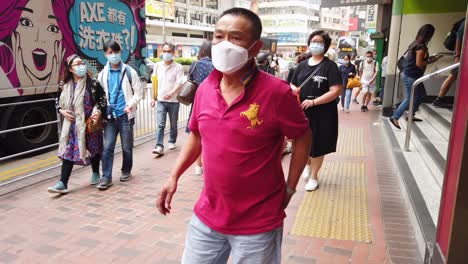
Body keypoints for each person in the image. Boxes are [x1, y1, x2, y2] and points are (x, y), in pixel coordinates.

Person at [156, 8, 312, 263]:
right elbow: (197, 135)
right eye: (219, 36)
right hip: (208, 216)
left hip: (258, 223)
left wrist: (290, 187)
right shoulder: (206, 88)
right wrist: (173, 177)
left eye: (236, 37)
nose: (224, 44)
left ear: (255, 46)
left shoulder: (277, 93)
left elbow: (303, 136)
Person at [291, 30, 342, 191]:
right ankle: (308, 165)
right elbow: (292, 84)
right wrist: (294, 90)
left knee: (318, 145)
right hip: (302, 113)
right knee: (303, 144)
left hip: (323, 113)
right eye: (313, 41)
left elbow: (336, 91)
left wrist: (314, 102)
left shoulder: (330, 66)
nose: (316, 44)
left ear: (325, 46)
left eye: (320, 42)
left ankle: (314, 176)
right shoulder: (301, 65)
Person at [48, 54, 106, 193]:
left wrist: (97, 112)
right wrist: (62, 111)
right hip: (72, 126)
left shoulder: (93, 83)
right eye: (77, 64)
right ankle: (63, 183)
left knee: (94, 149)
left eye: (82, 63)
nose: (81, 66)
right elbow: (57, 102)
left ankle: (95, 172)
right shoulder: (64, 85)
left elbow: (102, 100)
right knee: (68, 152)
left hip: (89, 123)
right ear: (71, 69)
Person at [97, 40, 143, 190]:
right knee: (108, 147)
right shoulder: (103, 74)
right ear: (105, 54)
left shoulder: (130, 71)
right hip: (110, 117)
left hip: (125, 116)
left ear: (120, 52)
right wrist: (98, 112)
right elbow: (100, 97)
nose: (113, 55)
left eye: (116, 52)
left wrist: (130, 105)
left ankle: (126, 170)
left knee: (127, 147)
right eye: (110, 53)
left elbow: (139, 92)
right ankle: (106, 177)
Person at [389, 24, 439, 129]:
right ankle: (395, 117)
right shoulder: (421, 46)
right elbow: (419, 63)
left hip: (412, 75)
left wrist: (429, 60)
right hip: (411, 76)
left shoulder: (415, 43)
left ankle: (411, 115)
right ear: (429, 35)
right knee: (410, 97)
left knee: (421, 95)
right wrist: (431, 60)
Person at [186, 40, 214, 175]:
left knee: (197, 135)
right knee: (212, 136)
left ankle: (198, 166)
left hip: (199, 102)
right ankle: (210, 165)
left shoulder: (195, 64)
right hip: (215, 103)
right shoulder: (218, 65)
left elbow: (190, 79)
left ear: (201, 51)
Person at [151, 42, 184, 156]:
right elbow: (154, 82)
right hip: (161, 100)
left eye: (168, 51)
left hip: (174, 101)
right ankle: (159, 145)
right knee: (160, 124)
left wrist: (171, 93)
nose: (166, 54)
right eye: (164, 51)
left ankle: (172, 140)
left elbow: (179, 83)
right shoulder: (157, 66)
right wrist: (153, 98)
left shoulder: (178, 67)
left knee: (173, 123)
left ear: (173, 53)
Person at [433, 18, 465, 108]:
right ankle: (439, 99)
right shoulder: (466, 22)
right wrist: (457, 56)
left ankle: (439, 99)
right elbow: (459, 37)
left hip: (462, 56)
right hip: (462, 57)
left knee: (452, 76)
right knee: (452, 76)